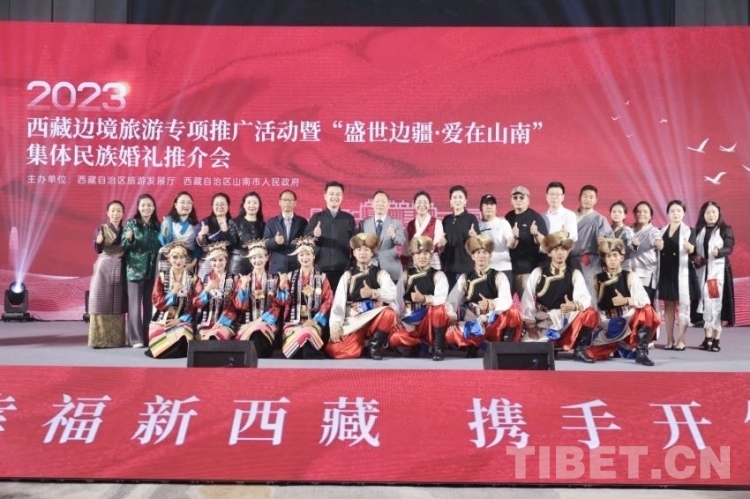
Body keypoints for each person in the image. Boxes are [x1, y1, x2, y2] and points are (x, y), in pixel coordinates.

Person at [520, 232, 600, 363]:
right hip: (544, 320)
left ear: (568, 252)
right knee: (528, 349)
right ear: (549, 253)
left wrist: (573, 305)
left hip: (566, 318)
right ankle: (552, 344)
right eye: (556, 249)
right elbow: (527, 298)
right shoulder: (538, 272)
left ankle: (580, 349)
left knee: (590, 313)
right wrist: (530, 323)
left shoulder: (574, 274)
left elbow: (584, 298)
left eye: (563, 249)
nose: (560, 253)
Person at [445, 235, 524, 358]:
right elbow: (452, 300)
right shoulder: (465, 278)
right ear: (472, 256)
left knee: (513, 312)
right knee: (450, 332)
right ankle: (472, 345)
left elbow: (506, 300)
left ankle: (504, 346)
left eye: (485, 252)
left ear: (490, 255)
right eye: (478, 253)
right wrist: (452, 316)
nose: (481, 256)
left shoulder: (499, 276)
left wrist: (491, 303)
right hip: (472, 318)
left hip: (492, 320)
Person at [587, 239, 660, 366]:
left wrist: (626, 300)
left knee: (647, 311)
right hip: (607, 324)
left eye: (615, 255)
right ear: (604, 259)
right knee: (590, 353)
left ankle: (641, 351)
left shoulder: (631, 276)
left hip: (627, 320)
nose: (612, 259)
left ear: (622, 257)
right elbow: (592, 304)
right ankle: (615, 346)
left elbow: (645, 300)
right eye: (609, 256)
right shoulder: (596, 279)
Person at [326, 233, 399, 360]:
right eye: (359, 250)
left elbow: (392, 294)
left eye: (366, 250)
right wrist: (335, 326)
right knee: (335, 351)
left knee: (389, 313)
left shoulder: (381, 274)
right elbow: (338, 303)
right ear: (354, 253)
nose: (363, 253)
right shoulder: (348, 275)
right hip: (355, 319)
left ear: (372, 253)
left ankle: (374, 347)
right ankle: (363, 345)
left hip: (374, 317)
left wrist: (373, 292)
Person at [269, 236, 334, 359]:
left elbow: (328, 300)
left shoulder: (322, 277)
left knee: (308, 333)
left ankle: (303, 350)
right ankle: (307, 351)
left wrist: (316, 320)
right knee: (303, 340)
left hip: (312, 322)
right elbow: (282, 302)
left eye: (308, 254)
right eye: (301, 255)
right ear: (297, 258)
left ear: (314, 256)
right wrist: (281, 287)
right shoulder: (289, 276)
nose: (305, 258)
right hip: (292, 323)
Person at [389, 236, 451, 361]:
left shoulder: (438, 275)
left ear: (431, 255)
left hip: (429, 320)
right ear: (413, 256)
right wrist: (397, 318)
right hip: (410, 320)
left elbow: (442, 299)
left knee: (439, 310)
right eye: (418, 254)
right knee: (394, 338)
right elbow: (396, 299)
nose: (422, 257)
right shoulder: (406, 275)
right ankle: (418, 343)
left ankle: (438, 347)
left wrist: (424, 299)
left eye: (425, 253)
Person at [694, 201, 735, 352]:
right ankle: (707, 339)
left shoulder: (725, 229)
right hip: (702, 273)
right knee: (705, 306)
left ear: (718, 214)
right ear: (703, 215)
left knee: (715, 305)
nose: (711, 215)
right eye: (708, 212)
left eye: (713, 212)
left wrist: (719, 252)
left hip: (716, 275)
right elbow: (694, 252)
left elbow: (729, 248)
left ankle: (716, 340)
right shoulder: (699, 230)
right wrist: (695, 257)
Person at [655, 200, 696, 351]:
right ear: (668, 213)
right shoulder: (661, 231)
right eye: (672, 211)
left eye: (679, 210)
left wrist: (690, 248)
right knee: (668, 306)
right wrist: (657, 246)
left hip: (682, 272)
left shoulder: (690, 231)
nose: (675, 214)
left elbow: (693, 249)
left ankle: (681, 340)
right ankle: (669, 339)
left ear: (684, 213)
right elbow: (656, 248)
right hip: (666, 272)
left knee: (682, 305)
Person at [147, 242, 199, 359]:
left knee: (183, 333)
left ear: (186, 259)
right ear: (169, 259)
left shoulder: (194, 279)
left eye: (182, 257)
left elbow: (195, 304)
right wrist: (173, 292)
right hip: (162, 318)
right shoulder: (161, 277)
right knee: (157, 336)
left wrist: (179, 320)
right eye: (175, 257)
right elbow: (157, 302)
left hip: (184, 319)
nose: (178, 261)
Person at [122, 194, 161, 349]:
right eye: (143, 205)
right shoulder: (131, 224)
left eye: (149, 205)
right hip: (135, 270)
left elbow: (161, 246)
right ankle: (135, 339)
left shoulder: (157, 226)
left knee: (149, 306)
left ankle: (148, 336)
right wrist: (129, 239)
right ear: (138, 207)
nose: (146, 208)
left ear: (154, 207)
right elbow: (123, 245)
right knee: (134, 307)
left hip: (152, 270)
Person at [88, 200, 127, 349]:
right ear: (108, 213)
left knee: (117, 302)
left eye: (119, 211)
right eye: (113, 211)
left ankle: (116, 340)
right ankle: (98, 340)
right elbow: (97, 249)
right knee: (100, 301)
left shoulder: (126, 230)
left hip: (119, 266)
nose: (116, 214)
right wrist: (98, 242)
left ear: (123, 214)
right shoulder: (102, 229)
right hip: (103, 266)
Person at [305, 181, 356, 292]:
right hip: (320, 270)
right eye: (331, 194)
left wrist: (352, 264)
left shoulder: (348, 219)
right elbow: (306, 240)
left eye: (338, 194)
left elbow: (355, 244)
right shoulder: (317, 217)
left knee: (340, 301)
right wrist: (314, 234)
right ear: (325, 196)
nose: (335, 197)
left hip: (343, 269)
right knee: (320, 300)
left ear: (342, 197)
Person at [233, 239, 279, 358]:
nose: (257, 260)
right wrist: (243, 286)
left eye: (260, 257)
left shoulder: (274, 279)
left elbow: (277, 305)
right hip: (247, 323)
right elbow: (239, 306)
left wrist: (260, 321)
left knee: (259, 329)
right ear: (249, 260)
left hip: (267, 323)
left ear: (267, 258)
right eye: (254, 257)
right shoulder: (243, 279)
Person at [504, 186, 548, 300]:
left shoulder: (535, 218)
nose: (518, 200)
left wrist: (536, 234)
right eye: (515, 197)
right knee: (503, 304)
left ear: (528, 200)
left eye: (522, 197)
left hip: (527, 270)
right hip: (508, 269)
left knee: (527, 305)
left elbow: (545, 244)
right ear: (511, 201)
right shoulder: (508, 217)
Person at [570, 185, 613, 300]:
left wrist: (603, 242)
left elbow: (610, 242)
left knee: (590, 294)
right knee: (572, 292)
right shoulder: (570, 216)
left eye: (591, 197)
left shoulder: (600, 219)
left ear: (596, 200)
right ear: (579, 197)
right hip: (570, 261)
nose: (588, 199)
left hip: (590, 262)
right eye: (585, 196)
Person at [194, 242, 239, 341]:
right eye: (214, 260)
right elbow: (197, 303)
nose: (217, 263)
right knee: (204, 340)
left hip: (226, 323)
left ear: (226, 260)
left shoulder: (234, 279)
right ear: (210, 261)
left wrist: (222, 322)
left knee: (217, 336)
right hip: (206, 322)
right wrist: (207, 289)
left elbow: (235, 305)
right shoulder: (204, 279)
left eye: (220, 260)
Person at [358, 190, 406, 283]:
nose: (380, 204)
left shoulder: (396, 222)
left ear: (388, 205)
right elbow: (360, 245)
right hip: (370, 268)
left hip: (391, 268)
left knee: (392, 292)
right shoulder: (364, 223)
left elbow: (402, 240)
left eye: (383, 201)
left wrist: (393, 235)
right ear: (372, 204)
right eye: (377, 201)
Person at [441, 185, 480, 290]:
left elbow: (477, 245)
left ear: (465, 201)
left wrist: (474, 237)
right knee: (449, 299)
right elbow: (442, 241)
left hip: (465, 268)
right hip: (448, 268)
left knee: (464, 299)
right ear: (450, 201)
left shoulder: (471, 218)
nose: (457, 200)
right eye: (454, 197)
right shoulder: (446, 220)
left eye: (460, 197)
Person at [263, 190, 308, 274]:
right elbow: (265, 244)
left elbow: (307, 242)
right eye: (284, 200)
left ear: (295, 203)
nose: (287, 203)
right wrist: (275, 241)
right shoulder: (271, 222)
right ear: (280, 202)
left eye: (290, 200)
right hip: (277, 266)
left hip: (296, 265)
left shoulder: (302, 222)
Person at [158, 191, 201, 273]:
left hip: (187, 260)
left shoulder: (196, 225)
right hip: (169, 258)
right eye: (182, 202)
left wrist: (193, 263)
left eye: (189, 203)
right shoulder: (168, 221)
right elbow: (165, 243)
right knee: (167, 280)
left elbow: (198, 247)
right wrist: (165, 230)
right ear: (175, 205)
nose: (186, 205)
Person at [402, 190, 445, 270]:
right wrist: (404, 266)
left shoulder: (437, 223)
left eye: (425, 202)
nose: (422, 205)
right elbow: (405, 250)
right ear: (413, 204)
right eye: (419, 202)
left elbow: (436, 246)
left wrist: (440, 245)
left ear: (429, 205)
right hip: (413, 264)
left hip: (432, 263)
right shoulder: (409, 225)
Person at [477, 194, 514, 285]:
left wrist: (514, 238)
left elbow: (510, 243)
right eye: (486, 204)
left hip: (503, 268)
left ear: (496, 208)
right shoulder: (477, 226)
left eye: (492, 204)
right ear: (480, 208)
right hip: (484, 270)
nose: (489, 207)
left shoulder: (503, 223)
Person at [630, 201, 661, 304]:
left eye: (645, 212)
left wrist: (658, 243)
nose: (641, 214)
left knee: (645, 306)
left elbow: (656, 239)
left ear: (650, 216)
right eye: (638, 211)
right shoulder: (629, 230)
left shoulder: (653, 231)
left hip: (645, 275)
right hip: (629, 275)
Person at [196, 193, 232, 279]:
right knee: (204, 282)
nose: (220, 207)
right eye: (217, 204)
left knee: (227, 282)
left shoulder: (233, 222)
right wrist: (201, 235)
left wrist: (226, 232)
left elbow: (235, 243)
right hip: (209, 260)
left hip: (227, 260)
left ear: (228, 205)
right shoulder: (205, 222)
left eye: (222, 204)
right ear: (212, 206)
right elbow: (199, 244)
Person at [228, 191, 265, 275]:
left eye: (255, 203)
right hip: (238, 262)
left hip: (257, 262)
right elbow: (231, 245)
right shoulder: (234, 222)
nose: (252, 205)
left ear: (259, 205)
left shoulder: (263, 225)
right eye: (249, 202)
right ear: (244, 205)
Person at [609, 200, 634, 271]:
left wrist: (634, 244)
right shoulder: (606, 229)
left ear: (625, 215)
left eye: (620, 212)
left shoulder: (628, 231)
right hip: (609, 266)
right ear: (610, 214)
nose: (616, 214)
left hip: (624, 266)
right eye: (614, 212)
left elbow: (631, 247)